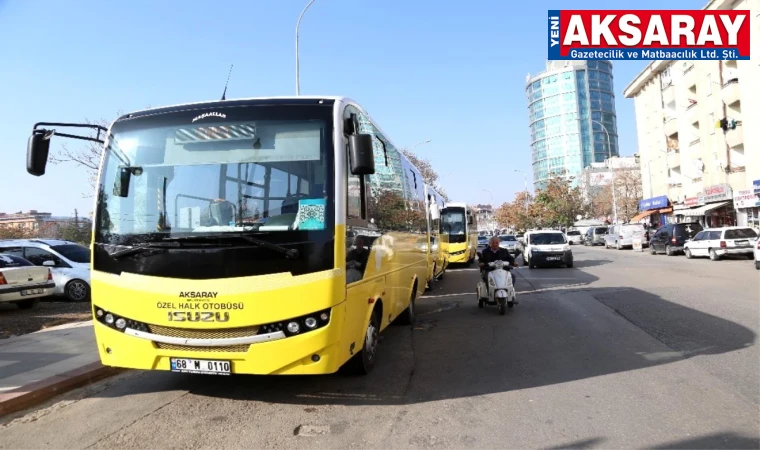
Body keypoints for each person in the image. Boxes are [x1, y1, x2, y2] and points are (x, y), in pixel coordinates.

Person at [479, 235, 519, 303]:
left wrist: (514, 262)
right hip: (490, 270)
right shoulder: (485, 251)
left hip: (503, 270)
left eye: (496, 242)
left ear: (499, 243)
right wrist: (481, 263)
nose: (495, 244)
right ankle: (490, 294)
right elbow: (481, 260)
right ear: (490, 243)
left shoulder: (504, 251)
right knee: (486, 278)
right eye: (493, 242)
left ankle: (510, 294)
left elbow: (510, 258)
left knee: (512, 277)